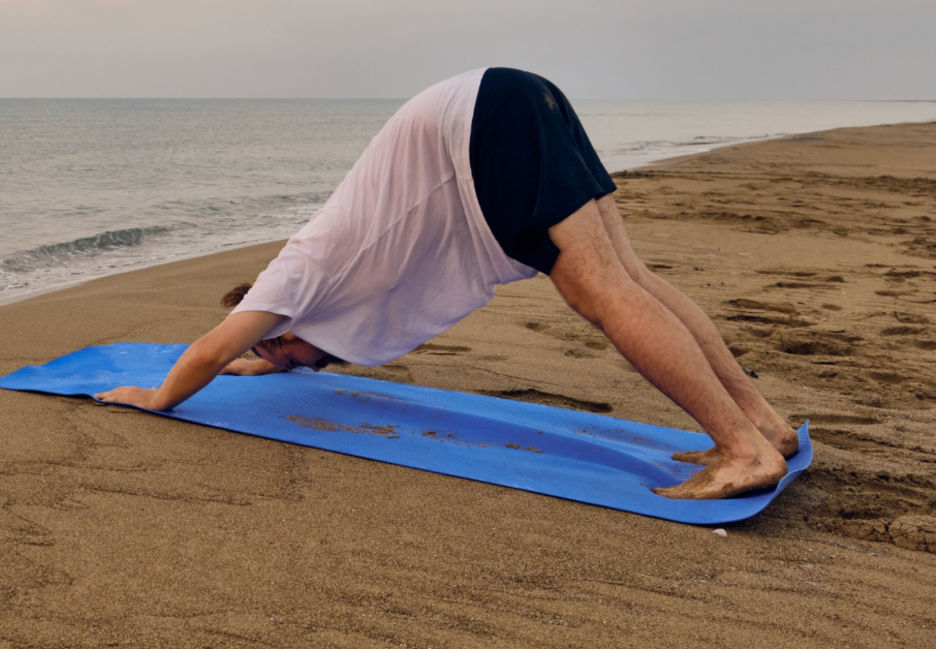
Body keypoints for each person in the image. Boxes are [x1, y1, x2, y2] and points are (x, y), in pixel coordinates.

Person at [96, 67, 799, 500]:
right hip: (511, 97)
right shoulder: (315, 302)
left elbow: (212, 351)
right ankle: (762, 425)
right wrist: (268, 360)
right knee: (630, 278)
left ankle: (742, 450)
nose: (280, 359)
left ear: (279, 327)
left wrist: (154, 397)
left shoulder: (297, 275)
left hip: (480, 126)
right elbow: (267, 351)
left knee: (599, 294)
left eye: (275, 350)